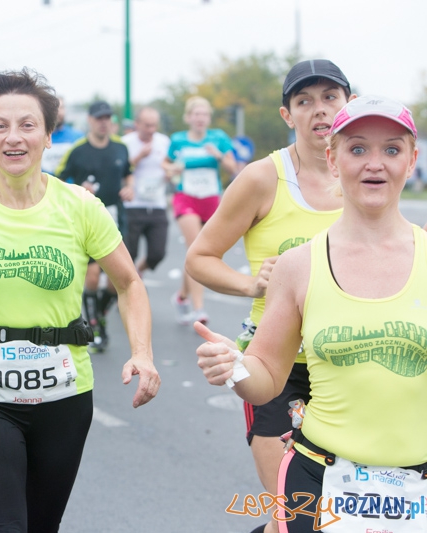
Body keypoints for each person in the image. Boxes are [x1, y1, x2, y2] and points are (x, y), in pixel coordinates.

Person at [0, 67, 159, 533]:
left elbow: (128, 283)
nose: (14, 137)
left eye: (27, 125)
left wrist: (142, 352)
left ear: (47, 136)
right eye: (0, 126)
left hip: (65, 394)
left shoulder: (80, 206)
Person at [196, 95, 427, 533]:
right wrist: (235, 366)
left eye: (392, 149)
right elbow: (267, 378)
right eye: (357, 148)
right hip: (319, 480)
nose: (374, 163)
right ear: (333, 160)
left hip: (418, 486)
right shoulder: (298, 265)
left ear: (411, 161)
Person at [185, 59, 352, 533]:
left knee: (345, 515)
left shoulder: (366, 174)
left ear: (349, 104)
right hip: (277, 366)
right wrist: (252, 284)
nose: (319, 110)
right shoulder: (263, 178)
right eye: (304, 101)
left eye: (330, 98)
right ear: (287, 114)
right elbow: (200, 258)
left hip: (349, 363)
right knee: (294, 514)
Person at [56, 100, 133, 352]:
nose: (103, 123)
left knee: (115, 280)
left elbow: (128, 172)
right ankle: (94, 328)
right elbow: (58, 179)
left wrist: (129, 187)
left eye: (107, 118)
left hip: (115, 217)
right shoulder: (77, 150)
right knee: (91, 276)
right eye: (99, 118)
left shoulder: (121, 147)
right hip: (85, 219)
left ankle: (98, 312)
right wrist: (78, 189)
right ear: (90, 120)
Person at [163, 96, 237, 325]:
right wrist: (172, 168)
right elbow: (165, 164)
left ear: (209, 118)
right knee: (194, 247)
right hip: (186, 197)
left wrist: (218, 155)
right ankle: (199, 308)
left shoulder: (218, 138)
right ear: (188, 117)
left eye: (204, 114)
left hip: (211, 199)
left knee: (203, 252)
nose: (200, 118)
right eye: (196, 114)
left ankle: (181, 296)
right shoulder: (178, 140)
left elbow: (233, 167)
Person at [121, 107, 171, 278]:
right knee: (130, 253)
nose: (151, 130)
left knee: (158, 253)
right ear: (137, 124)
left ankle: (139, 271)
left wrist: (171, 173)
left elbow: (170, 166)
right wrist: (139, 156)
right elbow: (121, 170)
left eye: (154, 125)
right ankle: (130, 283)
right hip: (133, 205)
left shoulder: (164, 141)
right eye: (147, 125)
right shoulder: (126, 143)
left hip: (157, 204)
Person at [40, 96, 83, 175]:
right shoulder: (38, 137)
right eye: (54, 108)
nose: (58, 112)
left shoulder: (78, 137)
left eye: (61, 108)